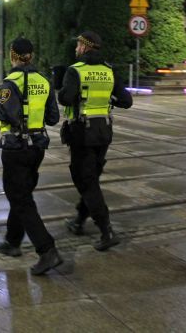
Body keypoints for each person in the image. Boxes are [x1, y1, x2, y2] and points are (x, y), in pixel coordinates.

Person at [0, 37, 63, 275]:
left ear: (12, 55)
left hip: (16, 148)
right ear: (31, 56)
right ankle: (12, 241)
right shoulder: (44, 81)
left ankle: (47, 249)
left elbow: (5, 113)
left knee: (19, 197)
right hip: (37, 147)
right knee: (22, 194)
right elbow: (52, 118)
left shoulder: (9, 83)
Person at [57, 31, 132, 251]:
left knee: (85, 180)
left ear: (84, 46)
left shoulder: (76, 70)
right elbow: (126, 101)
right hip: (104, 132)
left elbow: (65, 98)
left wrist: (61, 85)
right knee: (90, 178)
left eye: (78, 45)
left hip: (82, 133)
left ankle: (106, 230)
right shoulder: (109, 70)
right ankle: (79, 220)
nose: (76, 48)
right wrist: (107, 98)